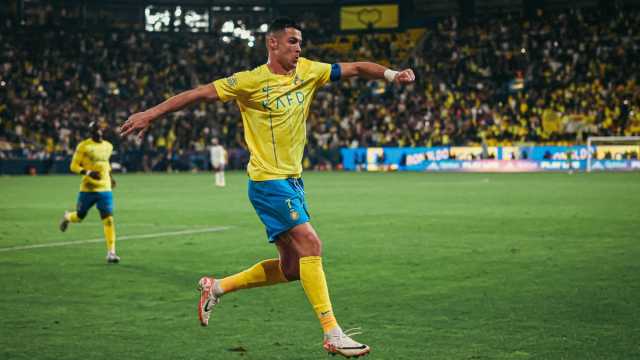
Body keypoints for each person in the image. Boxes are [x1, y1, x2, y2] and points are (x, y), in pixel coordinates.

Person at [120, 17, 415, 358]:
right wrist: (151, 114)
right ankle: (332, 332)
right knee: (311, 243)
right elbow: (198, 94)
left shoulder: (309, 70)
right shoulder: (249, 81)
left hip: (292, 180)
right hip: (267, 181)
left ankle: (216, 287)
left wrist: (393, 75)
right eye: (292, 41)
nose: (298, 47)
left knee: (291, 268)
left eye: (300, 41)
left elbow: (357, 67)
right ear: (272, 44)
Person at [59, 121, 119, 263]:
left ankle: (111, 253)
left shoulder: (108, 146)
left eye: (99, 129)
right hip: (88, 189)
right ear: (91, 132)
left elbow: (105, 164)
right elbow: (73, 166)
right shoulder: (84, 146)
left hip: (104, 188)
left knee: (109, 219)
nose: (98, 132)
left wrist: (111, 177)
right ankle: (68, 217)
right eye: (95, 130)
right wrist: (87, 172)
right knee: (79, 217)